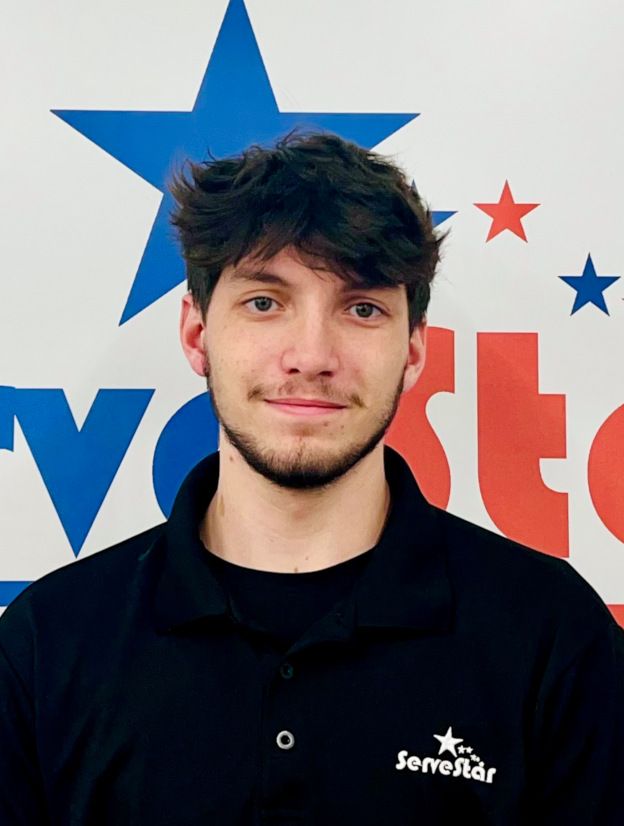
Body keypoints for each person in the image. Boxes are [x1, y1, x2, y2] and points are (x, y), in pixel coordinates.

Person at [0, 130, 622, 825]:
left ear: (412, 352)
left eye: (361, 309)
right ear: (197, 335)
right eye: (265, 302)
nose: (311, 355)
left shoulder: (551, 635)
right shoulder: (46, 646)